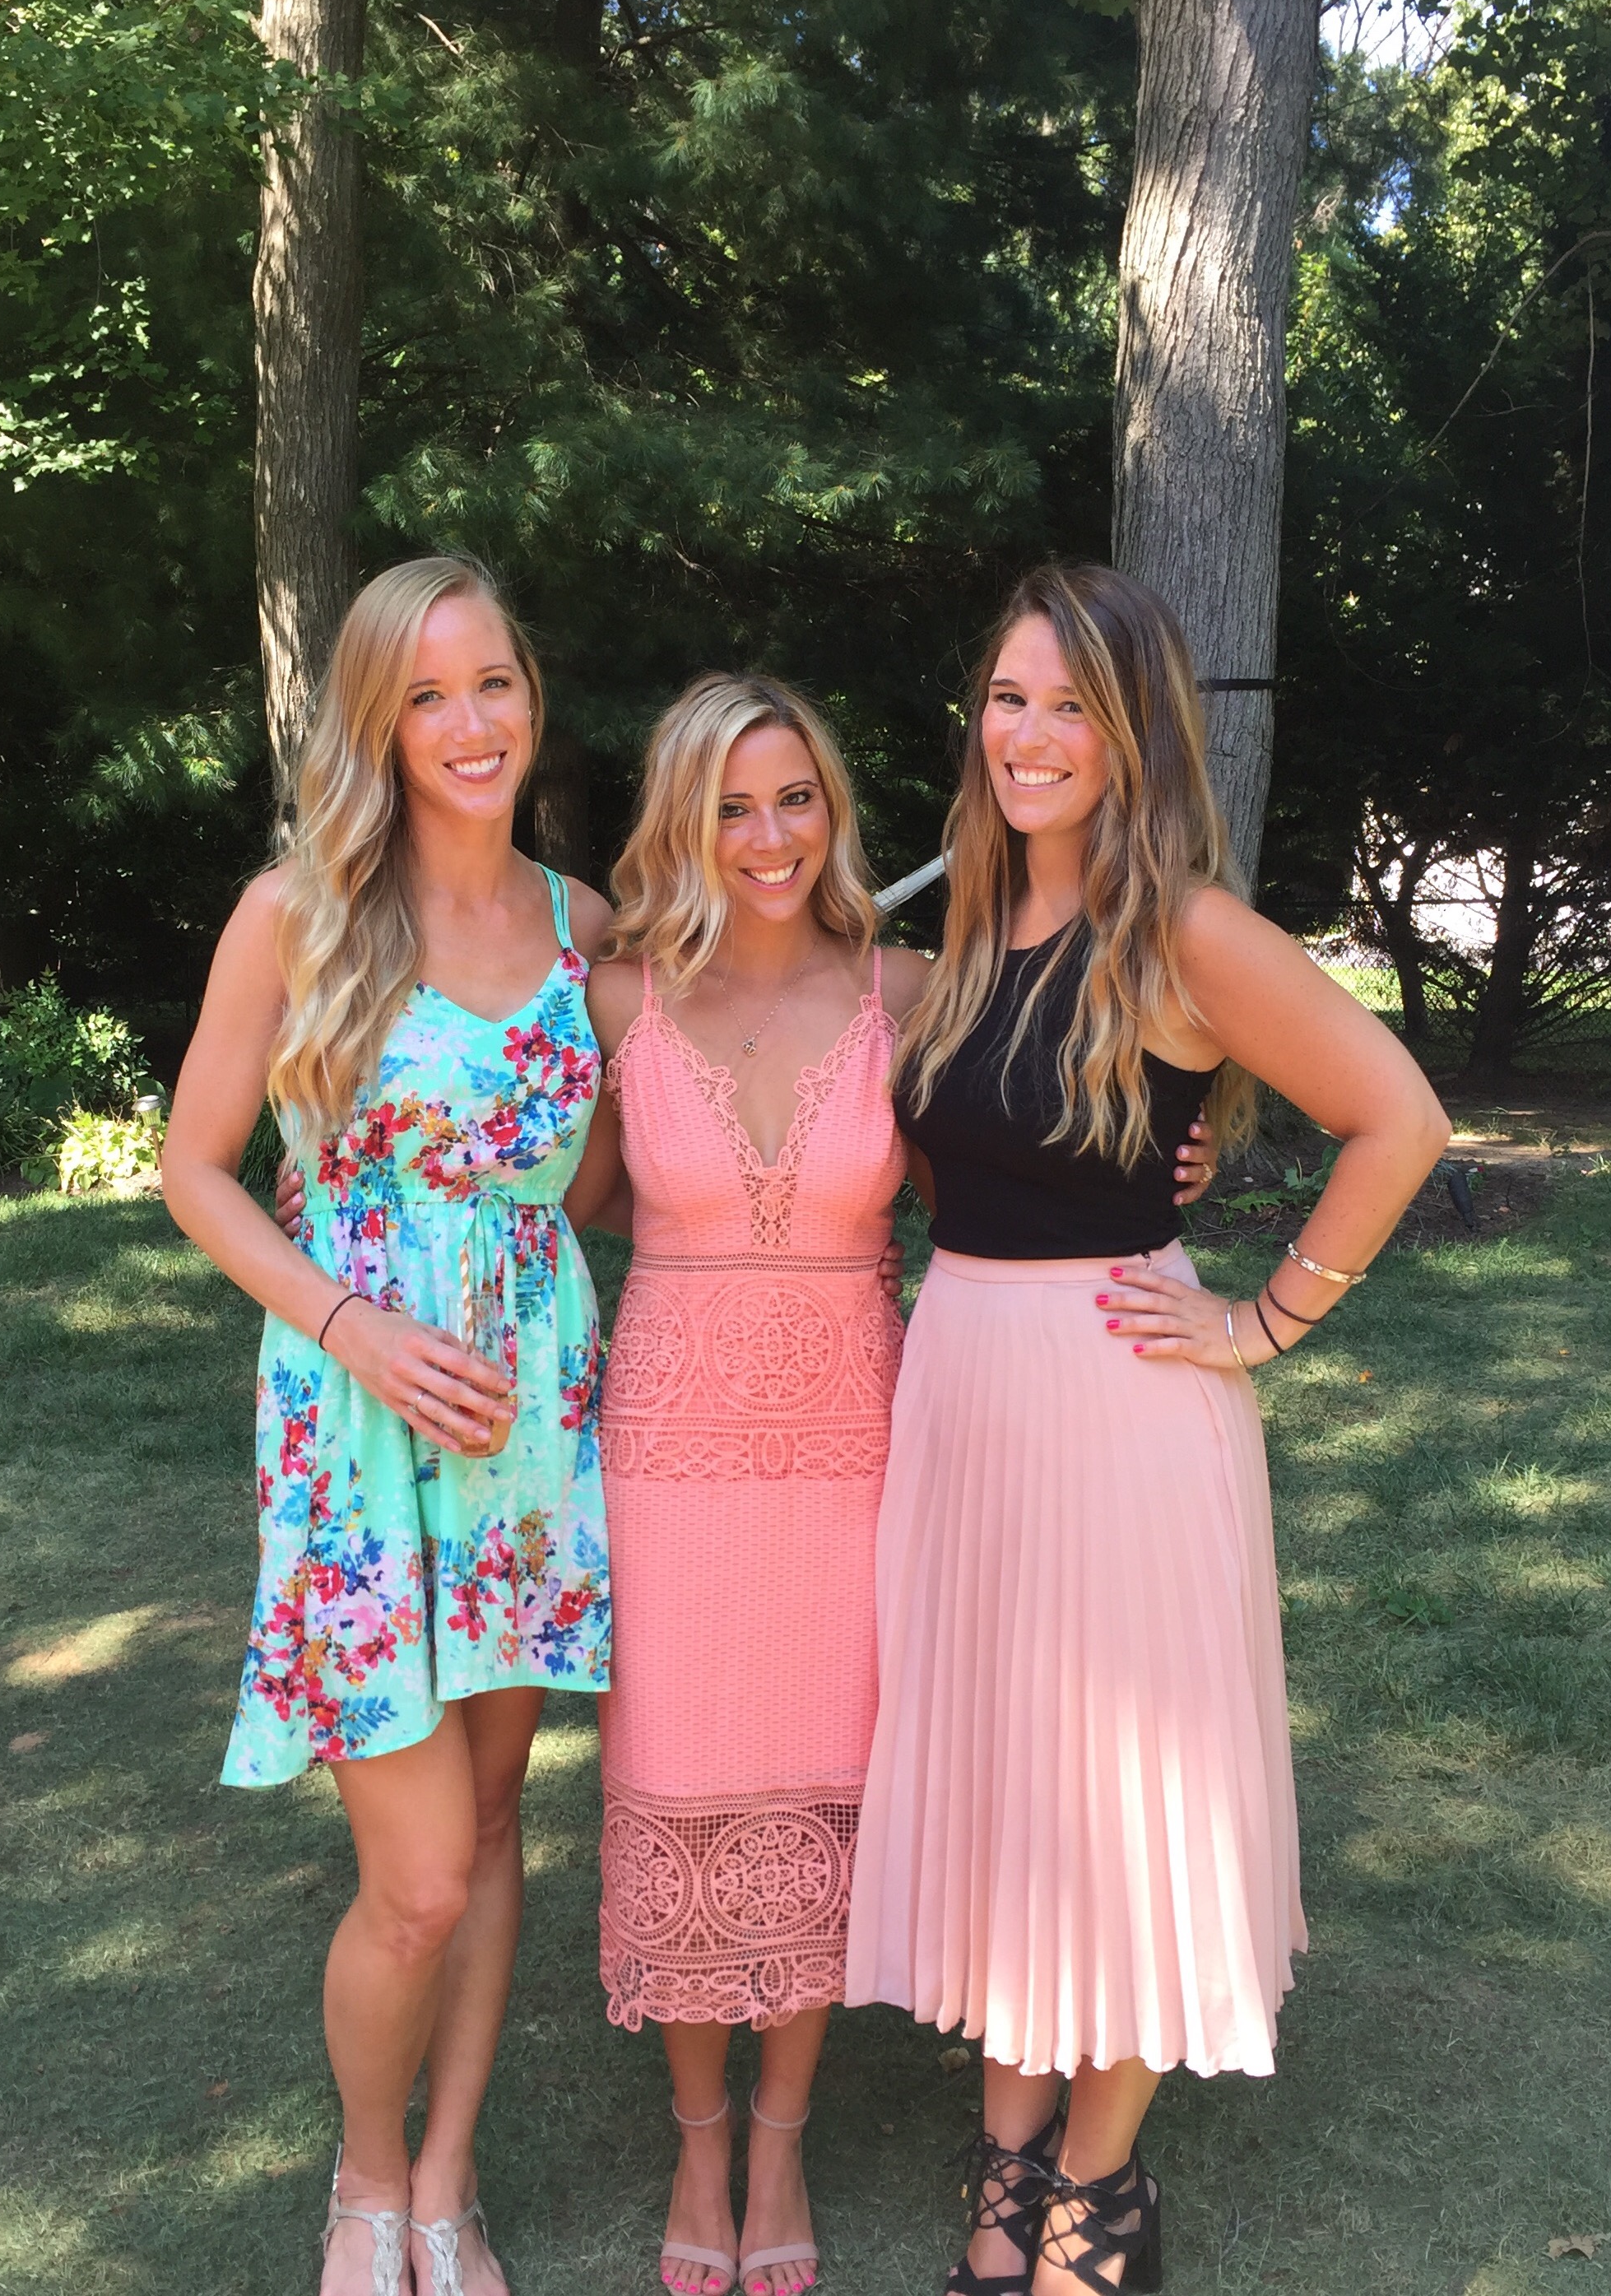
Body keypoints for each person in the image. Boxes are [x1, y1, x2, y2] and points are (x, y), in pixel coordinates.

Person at [843, 563, 1451, 2296]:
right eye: (1007, 698)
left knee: (1112, 1801)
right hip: (965, 1395)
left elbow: (1399, 1116)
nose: (1029, 735)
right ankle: (1006, 2150)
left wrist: (1263, 1319)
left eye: (1070, 707)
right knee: (1009, 1781)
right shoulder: (968, 929)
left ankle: (1095, 2183)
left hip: (1121, 1407)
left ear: (1133, 735)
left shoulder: (1184, 929)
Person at [162, 555, 612, 2296]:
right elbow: (197, 1171)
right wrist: (353, 1318)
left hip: (524, 1429)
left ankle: (446, 2177)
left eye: (492, 681)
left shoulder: (583, 925)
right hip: (353, 1431)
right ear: (376, 723)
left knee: (493, 1826)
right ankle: (361, 2179)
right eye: (427, 695)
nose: (469, 722)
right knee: (417, 1874)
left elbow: (632, 1149)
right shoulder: (299, 913)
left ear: (530, 694)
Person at [567, 675, 926, 2296]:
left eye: (795, 798)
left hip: (856, 1446)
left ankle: (780, 2134)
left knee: (822, 1775)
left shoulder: (910, 988)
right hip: (668, 1452)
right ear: (682, 820)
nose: (768, 835)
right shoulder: (618, 997)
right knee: (682, 1766)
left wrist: (1169, 1160)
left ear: (832, 811)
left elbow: (1006, 1172)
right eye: (730, 805)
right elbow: (561, 1191)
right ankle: (698, 2136)